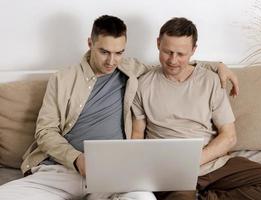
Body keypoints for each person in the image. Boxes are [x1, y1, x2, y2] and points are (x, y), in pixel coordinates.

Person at [0, 15, 238, 200]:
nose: (111, 61)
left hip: (114, 175)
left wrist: (217, 65)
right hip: (61, 170)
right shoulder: (62, 79)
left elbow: (174, 63)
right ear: (90, 43)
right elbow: (45, 132)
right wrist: (76, 159)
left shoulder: (132, 69)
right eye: (104, 52)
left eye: (118, 53)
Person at [131, 17, 261, 200]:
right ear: (158, 43)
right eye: (167, 52)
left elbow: (229, 136)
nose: (173, 60)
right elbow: (137, 136)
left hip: (215, 165)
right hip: (171, 171)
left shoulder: (211, 80)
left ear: (193, 50)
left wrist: (194, 162)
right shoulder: (143, 85)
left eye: (181, 54)